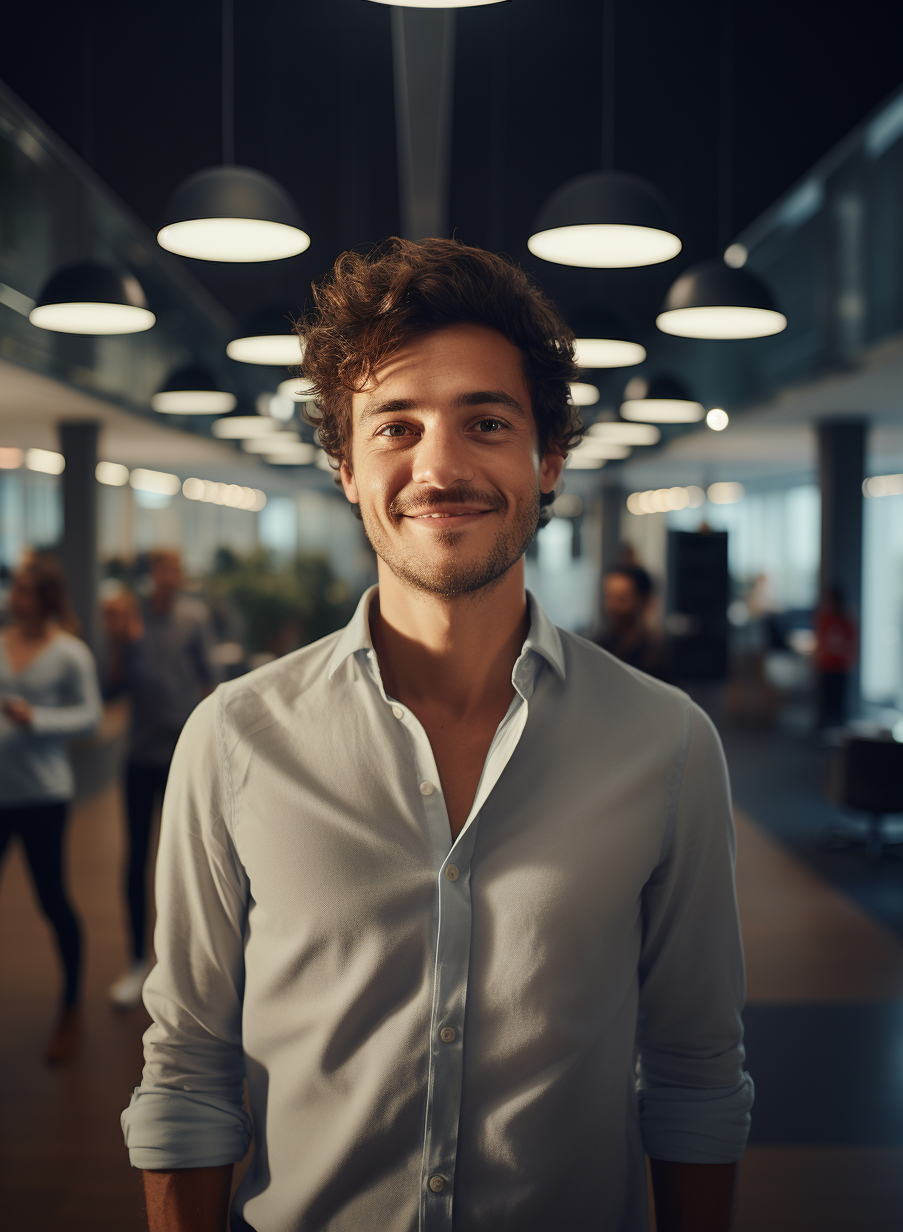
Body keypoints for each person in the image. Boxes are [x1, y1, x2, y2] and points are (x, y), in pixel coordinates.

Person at [122, 239, 752, 1232]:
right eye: (395, 426)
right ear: (343, 467)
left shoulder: (667, 742)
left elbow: (692, 1068)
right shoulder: (235, 738)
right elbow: (189, 1069)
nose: (440, 465)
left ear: (548, 458)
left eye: (486, 422)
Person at [0, 553, 102, 1071]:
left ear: (45, 598)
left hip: (44, 797)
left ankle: (70, 1005)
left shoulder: (69, 654)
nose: (14, 598)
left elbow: (90, 717)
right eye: (15, 589)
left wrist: (38, 719)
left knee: (53, 902)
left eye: (25, 590)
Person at [103, 550, 216, 1007]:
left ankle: (186, 967)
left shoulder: (194, 618)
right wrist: (118, 643)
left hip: (182, 757)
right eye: (160, 569)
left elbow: (211, 683)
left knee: (186, 858)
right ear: (151, 574)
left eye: (174, 568)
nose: (168, 576)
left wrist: (210, 747)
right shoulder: (130, 618)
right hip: (139, 757)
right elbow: (109, 689)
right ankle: (136, 961)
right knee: (136, 860)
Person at [595, 563, 669, 679]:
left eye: (622, 599)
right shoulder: (598, 648)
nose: (612, 607)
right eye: (610, 597)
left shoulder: (657, 654)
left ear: (643, 600)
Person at [814, 584, 857, 729]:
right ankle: (824, 730)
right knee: (826, 701)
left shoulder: (846, 620)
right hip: (826, 666)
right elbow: (820, 642)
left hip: (840, 668)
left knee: (839, 702)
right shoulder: (825, 619)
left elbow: (851, 644)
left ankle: (839, 732)